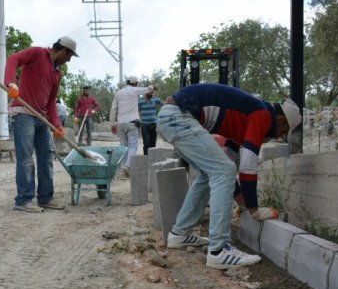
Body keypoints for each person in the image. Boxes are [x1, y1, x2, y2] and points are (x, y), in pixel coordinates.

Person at [156, 83, 302, 270]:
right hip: (178, 117)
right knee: (223, 171)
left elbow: (227, 163)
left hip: (171, 117)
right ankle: (218, 250)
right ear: (280, 120)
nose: (276, 137)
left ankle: (180, 234)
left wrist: (243, 204)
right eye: (282, 133)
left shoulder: (244, 118)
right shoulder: (262, 115)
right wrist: (254, 209)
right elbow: (247, 166)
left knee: (210, 173)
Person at [4, 36, 78, 213]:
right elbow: (13, 59)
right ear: (63, 51)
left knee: (46, 159)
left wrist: (57, 124)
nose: (68, 60)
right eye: (69, 57)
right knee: (26, 159)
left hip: (41, 118)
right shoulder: (37, 53)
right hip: (23, 115)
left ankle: (45, 198)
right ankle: (23, 201)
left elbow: (51, 101)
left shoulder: (57, 72)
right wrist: (11, 82)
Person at [109, 76, 153, 176]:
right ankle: (127, 166)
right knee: (133, 145)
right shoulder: (135, 90)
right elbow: (150, 89)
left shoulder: (118, 93)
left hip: (121, 123)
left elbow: (113, 109)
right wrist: (151, 86)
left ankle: (124, 169)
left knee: (123, 146)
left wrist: (112, 124)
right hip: (132, 123)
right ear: (135, 83)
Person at [137, 86, 163, 155]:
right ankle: (146, 158)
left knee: (153, 143)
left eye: (152, 92)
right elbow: (136, 111)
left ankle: (152, 158)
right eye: (150, 92)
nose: (152, 94)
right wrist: (138, 119)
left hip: (154, 123)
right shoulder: (140, 101)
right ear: (146, 92)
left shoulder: (155, 99)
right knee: (146, 142)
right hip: (145, 124)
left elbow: (163, 104)